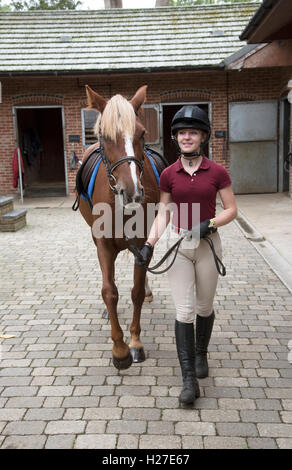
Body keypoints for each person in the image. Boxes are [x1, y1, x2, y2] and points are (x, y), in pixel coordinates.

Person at [135, 105, 237, 406]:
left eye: (192, 132)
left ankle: (201, 352)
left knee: (205, 307)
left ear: (203, 136)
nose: (187, 137)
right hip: (179, 245)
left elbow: (232, 209)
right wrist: (150, 244)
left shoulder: (217, 171)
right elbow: (164, 212)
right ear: (176, 137)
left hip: (208, 245)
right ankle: (189, 379)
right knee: (184, 311)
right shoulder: (168, 174)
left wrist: (211, 223)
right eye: (182, 133)